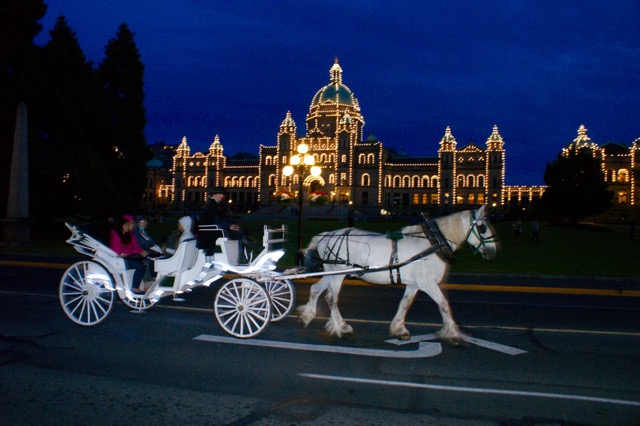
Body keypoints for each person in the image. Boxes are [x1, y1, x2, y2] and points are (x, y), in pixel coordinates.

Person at [200, 186, 262, 263]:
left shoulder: (216, 204)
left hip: (219, 228)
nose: (222, 196)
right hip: (215, 230)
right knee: (240, 233)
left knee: (241, 231)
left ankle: (246, 255)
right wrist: (229, 226)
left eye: (222, 194)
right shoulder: (212, 205)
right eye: (220, 194)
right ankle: (258, 250)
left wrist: (233, 225)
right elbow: (216, 220)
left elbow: (224, 219)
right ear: (214, 194)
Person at [109, 215, 148, 294]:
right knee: (140, 266)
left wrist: (139, 251)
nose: (129, 226)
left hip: (126, 257)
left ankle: (138, 285)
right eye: (126, 225)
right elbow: (117, 251)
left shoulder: (126, 234)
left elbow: (132, 247)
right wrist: (135, 252)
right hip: (119, 259)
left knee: (143, 265)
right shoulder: (116, 236)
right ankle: (135, 287)